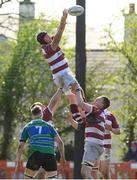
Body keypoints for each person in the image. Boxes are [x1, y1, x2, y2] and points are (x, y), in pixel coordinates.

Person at [36, 9, 82, 95]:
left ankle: (77, 107)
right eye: (46, 36)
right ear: (43, 40)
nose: (49, 36)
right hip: (63, 74)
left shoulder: (49, 44)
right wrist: (64, 17)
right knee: (78, 89)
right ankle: (85, 106)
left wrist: (64, 18)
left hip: (61, 74)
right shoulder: (48, 48)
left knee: (71, 96)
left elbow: (60, 29)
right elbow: (60, 31)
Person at [67, 89, 110, 179]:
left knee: (84, 172)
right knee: (94, 173)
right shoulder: (94, 116)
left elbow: (81, 104)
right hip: (98, 146)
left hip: (92, 145)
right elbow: (80, 126)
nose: (95, 100)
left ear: (102, 104)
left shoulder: (96, 110)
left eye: (98, 99)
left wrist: (78, 90)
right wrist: (71, 120)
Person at [15, 105, 65, 179]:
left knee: (28, 177)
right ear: (42, 114)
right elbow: (60, 142)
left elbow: (20, 146)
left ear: (32, 115)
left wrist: (17, 160)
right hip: (49, 155)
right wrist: (62, 157)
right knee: (52, 178)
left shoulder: (27, 126)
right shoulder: (49, 126)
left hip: (35, 155)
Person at [99, 109, 120, 179]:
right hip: (93, 145)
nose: (95, 102)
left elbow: (118, 131)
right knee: (96, 170)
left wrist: (111, 129)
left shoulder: (110, 115)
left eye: (98, 100)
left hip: (106, 146)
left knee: (104, 170)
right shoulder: (91, 112)